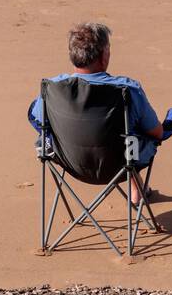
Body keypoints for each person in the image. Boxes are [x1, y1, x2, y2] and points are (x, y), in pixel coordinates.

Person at [28, 22, 164, 204]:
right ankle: (137, 192)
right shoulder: (127, 89)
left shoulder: (51, 88)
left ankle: (136, 189)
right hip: (119, 165)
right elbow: (156, 132)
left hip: (70, 163)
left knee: (120, 135)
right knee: (131, 136)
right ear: (103, 55)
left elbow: (37, 119)